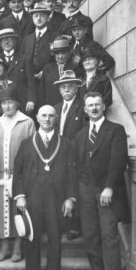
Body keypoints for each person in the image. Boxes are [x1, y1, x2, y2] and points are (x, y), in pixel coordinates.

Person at [13, 105, 77, 270]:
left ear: (56, 118)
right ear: (37, 118)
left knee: (55, 237)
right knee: (32, 237)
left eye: (50, 116)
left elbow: (72, 173)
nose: (47, 119)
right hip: (33, 195)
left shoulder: (66, 144)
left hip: (56, 197)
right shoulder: (26, 143)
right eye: (44, 116)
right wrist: (20, 196)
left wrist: (70, 198)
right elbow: (18, 172)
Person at [73, 92, 130, 270]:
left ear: (104, 106)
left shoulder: (116, 130)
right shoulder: (80, 134)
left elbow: (119, 161)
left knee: (109, 235)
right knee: (90, 235)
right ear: (85, 109)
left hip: (106, 191)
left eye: (97, 104)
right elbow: (76, 164)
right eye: (90, 105)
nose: (94, 108)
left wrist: (109, 187)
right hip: (85, 190)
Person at [0, 86, 35, 262]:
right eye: (3, 103)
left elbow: (32, 150)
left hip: (20, 173)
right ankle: (4, 247)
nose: (7, 106)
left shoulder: (27, 122)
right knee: (1, 209)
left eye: (10, 102)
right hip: (0, 173)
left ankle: (17, 246)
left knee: (19, 208)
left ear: (17, 103)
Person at [54, 70, 86, 240]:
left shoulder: (82, 107)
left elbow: (84, 133)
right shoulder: (56, 108)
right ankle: (61, 223)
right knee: (59, 185)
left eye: (70, 86)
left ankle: (74, 226)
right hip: (57, 154)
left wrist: (73, 150)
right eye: (63, 87)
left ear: (76, 88)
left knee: (73, 187)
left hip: (76, 154)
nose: (66, 90)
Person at [0, 28, 36, 116]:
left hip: (22, 101)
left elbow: (31, 82)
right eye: (3, 40)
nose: (6, 42)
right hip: (3, 103)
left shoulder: (24, 59)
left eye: (9, 39)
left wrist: (31, 100)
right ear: (0, 43)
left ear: (15, 41)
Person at [40, 35, 80, 108]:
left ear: (68, 53)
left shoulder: (75, 68)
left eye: (63, 53)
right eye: (58, 53)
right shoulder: (47, 68)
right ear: (54, 54)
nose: (60, 56)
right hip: (51, 107)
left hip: (69, 107)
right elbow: (42, 91)